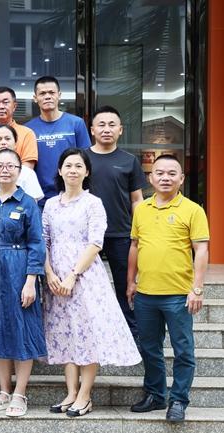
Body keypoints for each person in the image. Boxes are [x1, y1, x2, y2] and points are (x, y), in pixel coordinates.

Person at [42, 148, 141, 417]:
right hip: (56, 279)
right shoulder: (50, 204)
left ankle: (85, 396)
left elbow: (96, 243)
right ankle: (71, 393)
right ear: (60, 170)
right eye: (68, 165)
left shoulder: (93, 203)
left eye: (78, 166)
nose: (73, 170)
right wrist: (50, 274)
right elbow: (44, 241)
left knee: (87, 335)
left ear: (86, 172)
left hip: (85, 278)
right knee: (64, 333)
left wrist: (72, 275)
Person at [127, 154, 209, 423]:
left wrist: (197, 289)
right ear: (150, 178)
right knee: (150, 348)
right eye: (160, 173)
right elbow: (135, 245)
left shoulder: (193, 210)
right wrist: (131, 281)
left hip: (178, 295)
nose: (165, 178)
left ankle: (178, 400)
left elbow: (201, 250)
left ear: (181, 179)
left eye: (172, 173)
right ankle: (156, 395)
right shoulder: (141, 209)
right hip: (146, 295)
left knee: (183, 350)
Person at [0, 148, 46, 417]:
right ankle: (4, 392)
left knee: (21, 329)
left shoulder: (28, 203)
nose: (5, 170)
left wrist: (31, 281)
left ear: (20, 170)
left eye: (11, 166)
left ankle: (20, 394)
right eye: (0, 165)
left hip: (19, 271)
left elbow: (37, 243)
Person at [86, 106, 145, 339]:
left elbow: (137, 199)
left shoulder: (129, 161)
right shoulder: (81, 159)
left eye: (112, 125)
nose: (106, 129)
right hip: (87, 235)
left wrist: (138, 230)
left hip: (121, 233)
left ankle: (132, 336)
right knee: (87, 287)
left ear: (120, 130)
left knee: (125, 286)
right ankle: (92, 334)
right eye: (101, 124)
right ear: (92, 130)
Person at [25, 76, 91, 207]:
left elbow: (86, 160)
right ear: (35, 98)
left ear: (59, 95)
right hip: (39, 198)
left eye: (51, 92)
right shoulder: (28, 129)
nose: (47, 97)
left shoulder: (76, 123)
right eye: (42, 93)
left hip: (73, 196)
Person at [0, 124, 43, 201]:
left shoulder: (28, 173)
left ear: (15, 144)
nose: (3, 142)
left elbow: (32, 205)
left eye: (7, 139)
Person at [0, 86, 38, 168]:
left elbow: (27, 169)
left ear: (14, 106)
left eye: (5, 102)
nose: (1, 106)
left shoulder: (27, 134)